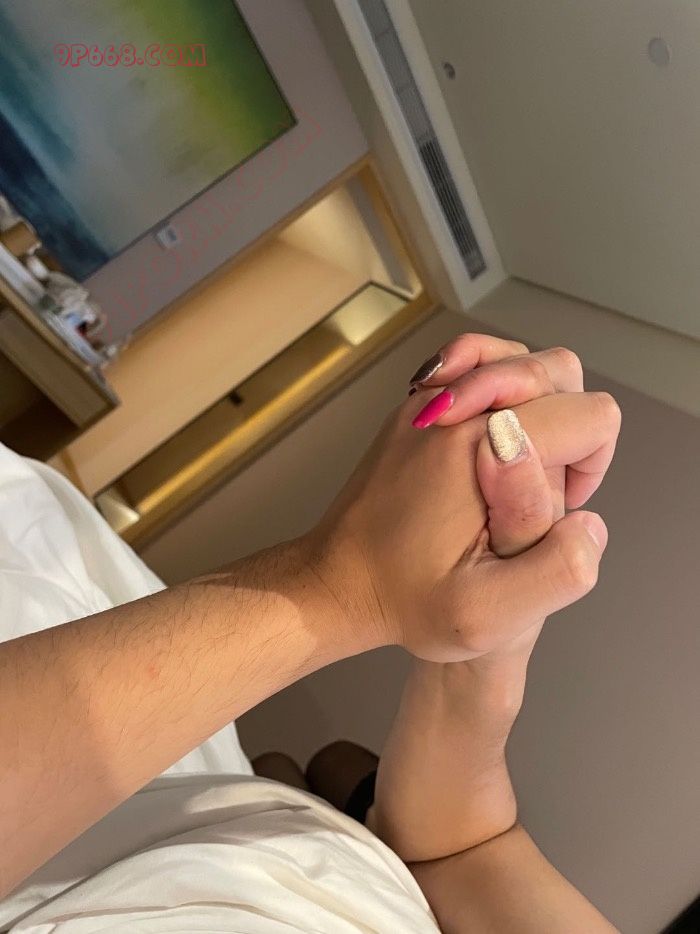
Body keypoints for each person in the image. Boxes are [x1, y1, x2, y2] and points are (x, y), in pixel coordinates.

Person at [0, 333, 621, 932]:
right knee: (311, 763)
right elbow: (465, 849)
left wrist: (343, 584)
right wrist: (494, 629)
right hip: (256, 825)